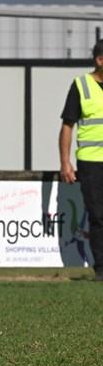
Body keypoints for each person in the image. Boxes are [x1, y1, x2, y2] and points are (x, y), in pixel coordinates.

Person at [59, 39, 103, 281]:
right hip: (91, 163)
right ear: (100, 60)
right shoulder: (81, 86)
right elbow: (67, 126)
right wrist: (65, 162)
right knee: (98, 216)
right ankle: (102, 269)